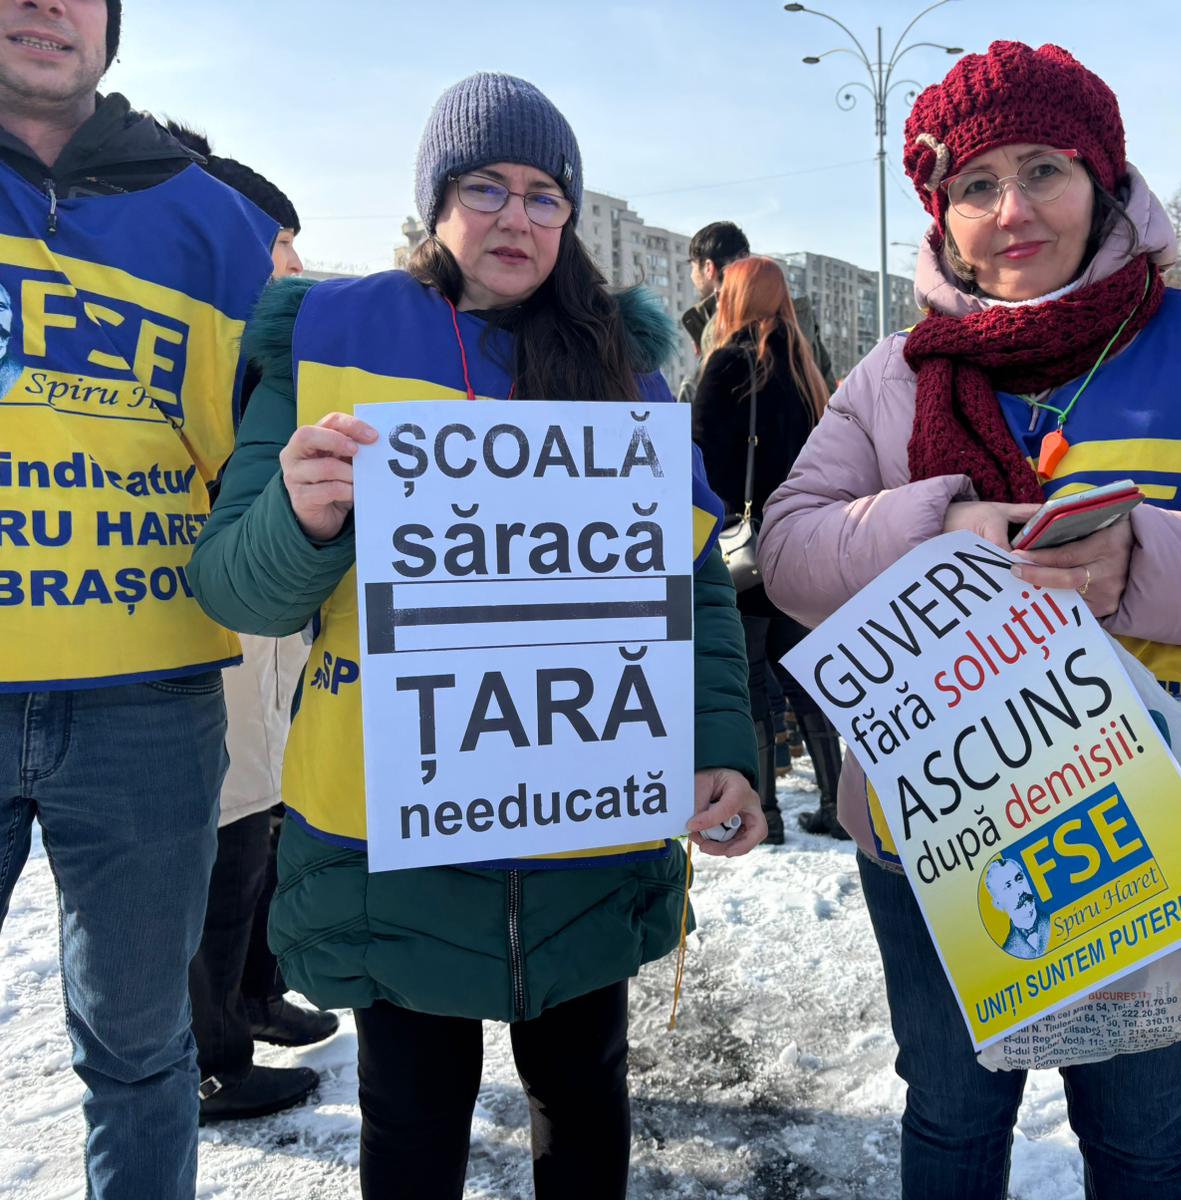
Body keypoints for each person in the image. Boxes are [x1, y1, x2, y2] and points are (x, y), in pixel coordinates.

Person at [758, 41, 1181, 1200]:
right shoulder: (893, 374)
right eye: (975, 185)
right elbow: (788, 549)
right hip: (933, 820)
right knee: (950, 1116)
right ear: (941, 214)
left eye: (1043, 169)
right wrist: (935, 525)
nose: (1011, 209)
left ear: (1102, 177)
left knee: (1141, 1131)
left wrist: (1144, 558)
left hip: (1140, 820)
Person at [188, 73, 763, 1198]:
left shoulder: (623, 369)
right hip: (390, 840)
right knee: (410, 1125)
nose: (516, 216)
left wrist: (721, 745)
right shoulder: (329, 335)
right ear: (435, 199)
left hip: (584, 830)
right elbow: (238, 590)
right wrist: (302, 517)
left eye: (546, 194)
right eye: (485, 186)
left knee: (584, 1109)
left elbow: (688, 584)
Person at [0, 3, 278, 1195]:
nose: (42, 3)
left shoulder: (218, 223)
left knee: (139, 1045)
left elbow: (261, 472)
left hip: (149, 710)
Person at [162, 124, 338, 1124]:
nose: (294, 265)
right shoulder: (192, 333)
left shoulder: (262, 345)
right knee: (223, 835)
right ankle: (211, 1057)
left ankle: (254, 995)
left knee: (266, 809)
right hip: (202, 619)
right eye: (279, 245)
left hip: (269, 625)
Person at [690, 255, 843, 843]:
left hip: (744, 545)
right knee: (804, 675)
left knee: (751, 675)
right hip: (800, 544)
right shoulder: (805, 365)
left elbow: (699, 451)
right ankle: (834, 802)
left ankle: (767, 813)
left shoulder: (731, 361)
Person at [681, 219, 834, 394]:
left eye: (692, 266)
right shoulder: (795, 319)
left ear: (708, 267)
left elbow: (711, 401)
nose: (692, 275)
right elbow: (829, 390)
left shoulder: (726, 325)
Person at [982, 859, 1049, 960]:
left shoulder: (1055, 918)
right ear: (998, 904)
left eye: (1019, 878)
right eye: (1008, 886)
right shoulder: (1007, 953)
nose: (1020, 890)